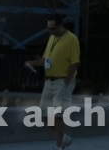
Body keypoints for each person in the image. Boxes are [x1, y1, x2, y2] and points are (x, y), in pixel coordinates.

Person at [24, 13, 81, 150]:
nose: (50, 31)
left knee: (59, 114)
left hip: (63, 80)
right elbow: (46, 60)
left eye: (52, 28)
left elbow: (75, 63)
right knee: (44, 113)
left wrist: (67, 82)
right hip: (50, 81)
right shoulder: (52, 38)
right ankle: (63, 137)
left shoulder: (71, 39)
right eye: (48, 28)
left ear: (61, 26)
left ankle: (58, 145)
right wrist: (33, 63)